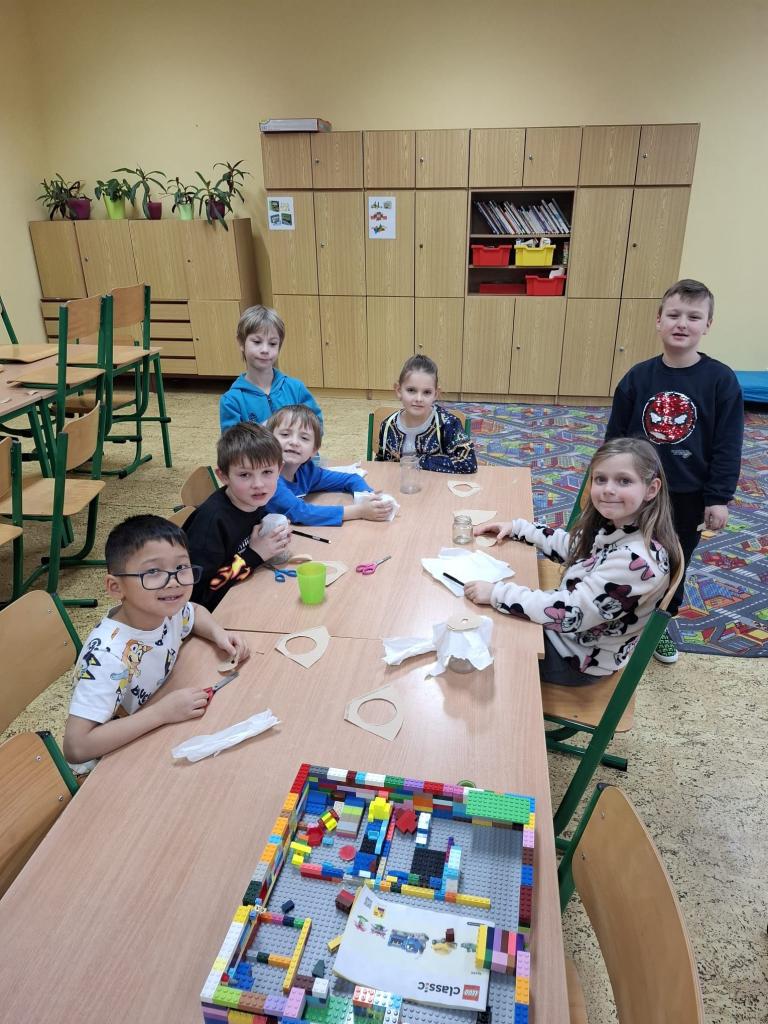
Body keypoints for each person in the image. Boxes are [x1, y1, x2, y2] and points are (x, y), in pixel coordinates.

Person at [463, 438, 680, 685]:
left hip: (575, 659)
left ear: (651, 489)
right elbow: (577, 549)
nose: (608, 489)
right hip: (569, 637)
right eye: (601, 479)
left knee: (476, 638)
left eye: (624, 481)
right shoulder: (623, 526)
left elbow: (570, 613)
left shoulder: (636, 562)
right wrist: (519, 529)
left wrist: (496, 594)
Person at [605, 279, 743, 664]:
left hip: (688, 496)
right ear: (659, 320)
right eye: (674, 315)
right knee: (622, 552)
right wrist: (609, 482)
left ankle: (657, 627)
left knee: (672, 562)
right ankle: (616, 616)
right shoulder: (638, 377)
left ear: (707, 325)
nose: (682, 323)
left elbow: (728, 445)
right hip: (636, 490)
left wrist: (718, 498)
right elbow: (615, 437)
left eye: (694, 317)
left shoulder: (721, 381)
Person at [63, 516, 250, 774]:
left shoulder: (166, 609)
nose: (173, 581)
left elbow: (194, 611)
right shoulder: (108, 657)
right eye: (153, 572)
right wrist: (161, 713)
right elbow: (76, 747)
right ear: (116, 587)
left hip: (154, 725)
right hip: (107, 763)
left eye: (181, 567)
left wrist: (218, 633)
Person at [184, 423, 291, 611]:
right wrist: (254, 555)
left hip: (244, 594)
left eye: (267, 472)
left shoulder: (252, 500)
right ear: (223, 476)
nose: (258, 484)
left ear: (279, 470)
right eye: (245, 475)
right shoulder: (212, 524)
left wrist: (272, 537)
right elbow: (199, 596)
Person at [264, 404, 394, 526]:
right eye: (285, 434)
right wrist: (360, 511)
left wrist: (367, 496)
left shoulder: (306, 471)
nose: (294, 442)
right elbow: (302, 513)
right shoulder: (268, 480)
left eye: (304, 438)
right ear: (269, 440)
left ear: (314, 450)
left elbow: (351, 479)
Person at [219, 305, 323, 431]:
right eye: (257, 342)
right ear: (241, 342)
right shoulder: (232, 401)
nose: (265, 350)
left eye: (273, 343)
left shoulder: (296, 389)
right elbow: (232, 441)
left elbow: (317, 426)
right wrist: (266, 429)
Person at [375, 354, 477, 474]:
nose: (419, 399)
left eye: (427, 392)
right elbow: (381, 463)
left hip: (437, 485)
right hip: (398, 484)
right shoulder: (388, 425)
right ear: (398, 390)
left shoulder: (448, 424)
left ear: (435, 394)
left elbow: (468, 462)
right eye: (411, 390)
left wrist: (419, 460)